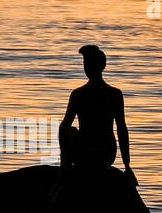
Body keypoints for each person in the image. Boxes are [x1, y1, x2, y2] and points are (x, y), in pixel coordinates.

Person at [59, 45, 137, 184]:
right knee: (69, 130)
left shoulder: (80, 94)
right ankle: (65, 170)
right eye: (85, 64)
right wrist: (127, 166)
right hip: (104, 152)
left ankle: (65, 173)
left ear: (100, 66)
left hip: (94, 153)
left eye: (88, 64)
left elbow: (121, 129)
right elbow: (122, 130)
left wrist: (127, 165)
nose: (86, 68)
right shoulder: (113, 94)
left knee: (69, 131)